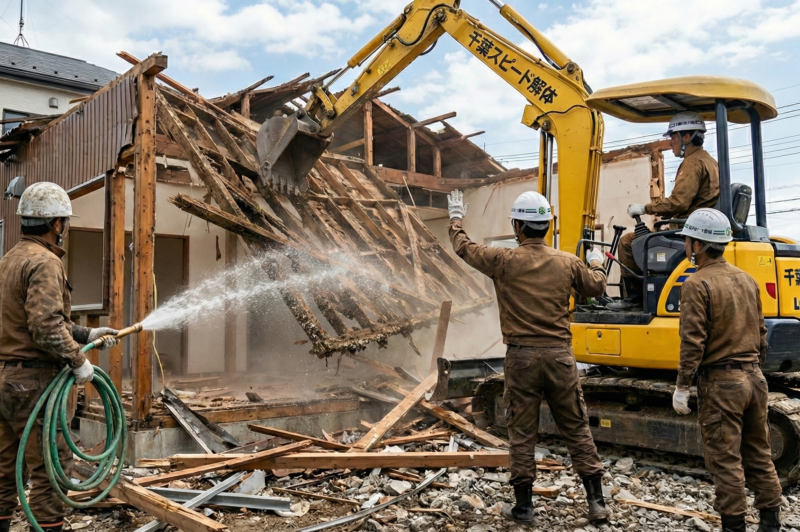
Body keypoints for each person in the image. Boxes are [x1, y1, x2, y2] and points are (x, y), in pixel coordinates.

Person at [447, 189, 610, 525]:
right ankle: (596, 503)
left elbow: (464, 248)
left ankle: (524, 508)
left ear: (518, 226)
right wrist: (596, 259)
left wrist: (455, 219)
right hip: (560, 358)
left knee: (522, 433)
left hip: (521, 359)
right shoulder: (567, 262)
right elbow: (596, 286)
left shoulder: (503, 260)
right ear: (547, 226)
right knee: (577, 428)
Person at [0, 182, 119, 532]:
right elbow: (46, 326)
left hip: (5, 380)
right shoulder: (45, 262)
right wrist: (79, 361)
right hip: (33, 383)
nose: (64, 228)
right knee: (51, 469)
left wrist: (87, 335)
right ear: (56, 224)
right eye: (64, 221)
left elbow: (33, 320)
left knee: (4, 469)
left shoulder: (9, 260)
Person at [672, 208, 782, 532]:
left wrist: (682, 386)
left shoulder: (696, 284)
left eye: (688, 241)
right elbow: (761, 333)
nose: (686, 246)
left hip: (722, 383)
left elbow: (692, 343)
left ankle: (734, 527)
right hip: (754, 378)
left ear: (699, 244)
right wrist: (753, 369)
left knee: (726, 461)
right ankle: (771, 524)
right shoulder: (746, 279)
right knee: (759, 453)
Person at [609, 111, 720, 310]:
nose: (671, 143)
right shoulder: (710, 161)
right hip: (695, 227)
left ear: (687, 137)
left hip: (686, 230)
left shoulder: (693, 163)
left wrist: (645, 208)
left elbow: (679, 203)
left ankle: (634, 299)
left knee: (627, 242)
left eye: (673, 137)